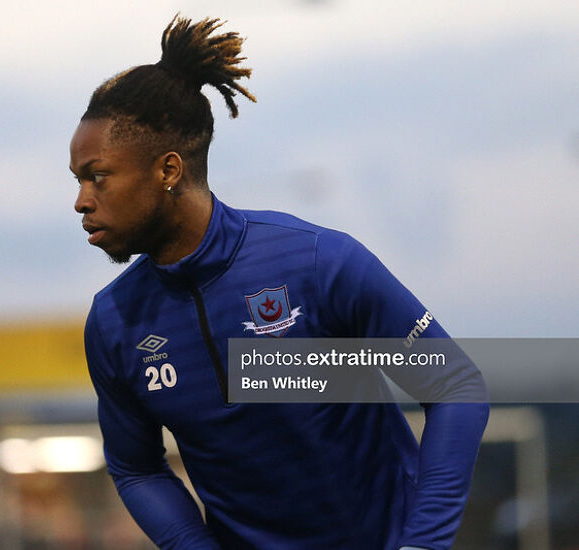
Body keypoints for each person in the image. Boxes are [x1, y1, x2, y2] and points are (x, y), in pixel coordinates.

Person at [70, 15, 489, 550]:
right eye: (78, 180)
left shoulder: (317, 263)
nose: (82, 200)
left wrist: (423, 543)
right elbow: (136, 469)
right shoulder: (114, 322)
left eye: (97, 175)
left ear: (168, 170)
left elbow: (455, 386)